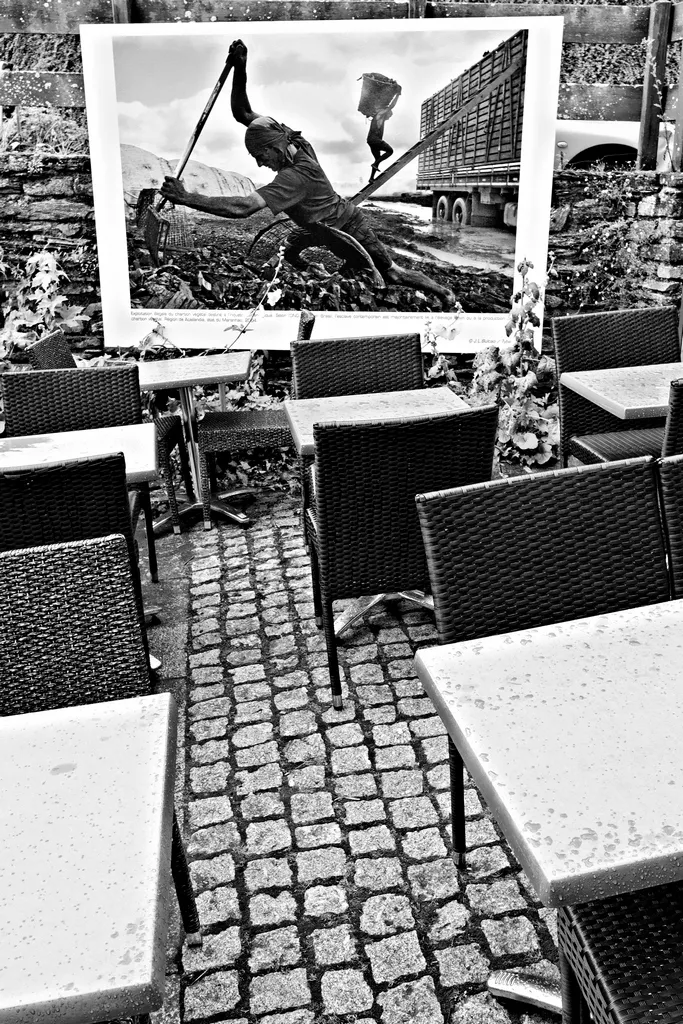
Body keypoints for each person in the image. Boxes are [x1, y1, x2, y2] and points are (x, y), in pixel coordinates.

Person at [160, 39, 455, 305]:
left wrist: (186, 198)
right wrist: (240, 66)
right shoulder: (291, 140)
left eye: (261, 157)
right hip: (321, 227)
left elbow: (244, 207)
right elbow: (243, 114)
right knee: (290, 252)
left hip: (347, 227)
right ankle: (322, 272)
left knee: (392, 273)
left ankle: (444, 293)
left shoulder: (295, 177)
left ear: (274, 148)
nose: (260, 164)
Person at [366, 89, 401, 183]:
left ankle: (371, 178)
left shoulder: (377, 118)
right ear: (386, 113)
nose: (389, 118)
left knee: (377, 158)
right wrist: (398, 95)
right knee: (390, 151)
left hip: (371, 141)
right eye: (389, 116)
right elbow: (391, 106)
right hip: (375, 140)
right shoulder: (379, 116)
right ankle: (375, 164)